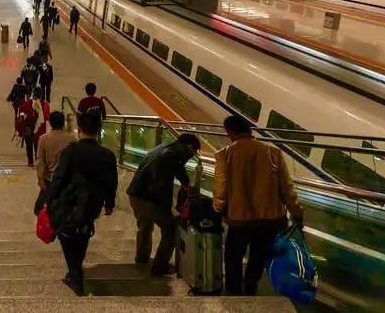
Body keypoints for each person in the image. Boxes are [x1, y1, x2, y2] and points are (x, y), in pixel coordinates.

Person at [214, 115, 304, 296]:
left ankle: (233, 290)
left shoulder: (224, 154)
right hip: (270, 219)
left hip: (240, 219)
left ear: (230, 132)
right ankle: (250, 286)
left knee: (233, 256)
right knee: (258, 256)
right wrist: (297, 212)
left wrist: (219, 210)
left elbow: (221, 188)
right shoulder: (273, 153)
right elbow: (287, 187)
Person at [47, 110, 118, 296]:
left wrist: (48, 199)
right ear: (99, 130)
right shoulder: (108, 155)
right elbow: (112, 183)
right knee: (84, 231)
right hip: (92, 204)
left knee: (65, 234)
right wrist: (109, 204)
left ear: (79, 130)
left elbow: (59, 177)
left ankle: (75, 272)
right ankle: (76, 267)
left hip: (69, 202)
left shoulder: (70, 151)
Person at [126, 134, 201, 275]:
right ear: (189, 147)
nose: (193, 155)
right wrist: (166, 209)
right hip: (149, 198)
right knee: (171, 230)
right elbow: (161, 184)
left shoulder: (166, 148)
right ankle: (160, 267)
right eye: (193, 151)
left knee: (144, 227)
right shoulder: (170, 155)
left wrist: (185, 181)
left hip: (135, 194)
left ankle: (141, 259)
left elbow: (177, 168)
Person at [36, 111, 73, 188]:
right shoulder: (71, 139)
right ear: (63, 123)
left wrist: (40, 179)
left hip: (50, 178)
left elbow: (40, 161)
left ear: (50, 122)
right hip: (67, 179)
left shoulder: (44, 139)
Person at [16, 86, 50, 167]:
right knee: (38, 146)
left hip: (28, 129)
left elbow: (20, 112)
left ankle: (30, 162)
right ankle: (38, 161)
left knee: (29, 145)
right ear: (42, 95)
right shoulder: (45, 105)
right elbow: (47, 117)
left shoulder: (27, 103)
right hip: (40, 130)